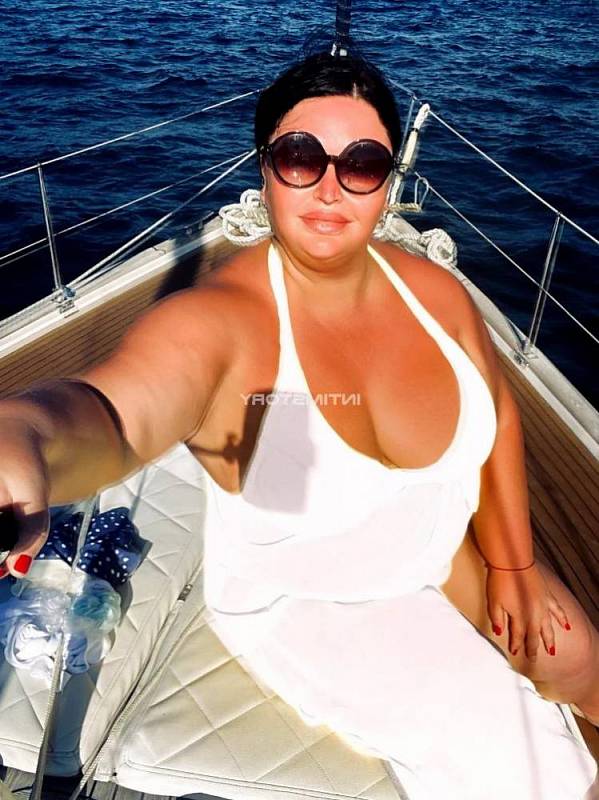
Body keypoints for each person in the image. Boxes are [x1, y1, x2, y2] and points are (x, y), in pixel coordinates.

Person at [0, 51, 597, 799]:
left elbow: (498, 414)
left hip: (429, 545)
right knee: (529, 766)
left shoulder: (435, 295)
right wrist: (24, 434)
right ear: (265, 168)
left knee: (579, 661)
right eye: (300, 156)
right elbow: (114, 413)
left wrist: (513, 566)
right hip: (316, 597)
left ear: (388, 181)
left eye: (362, 163)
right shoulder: (220, 323)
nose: (328, 185)